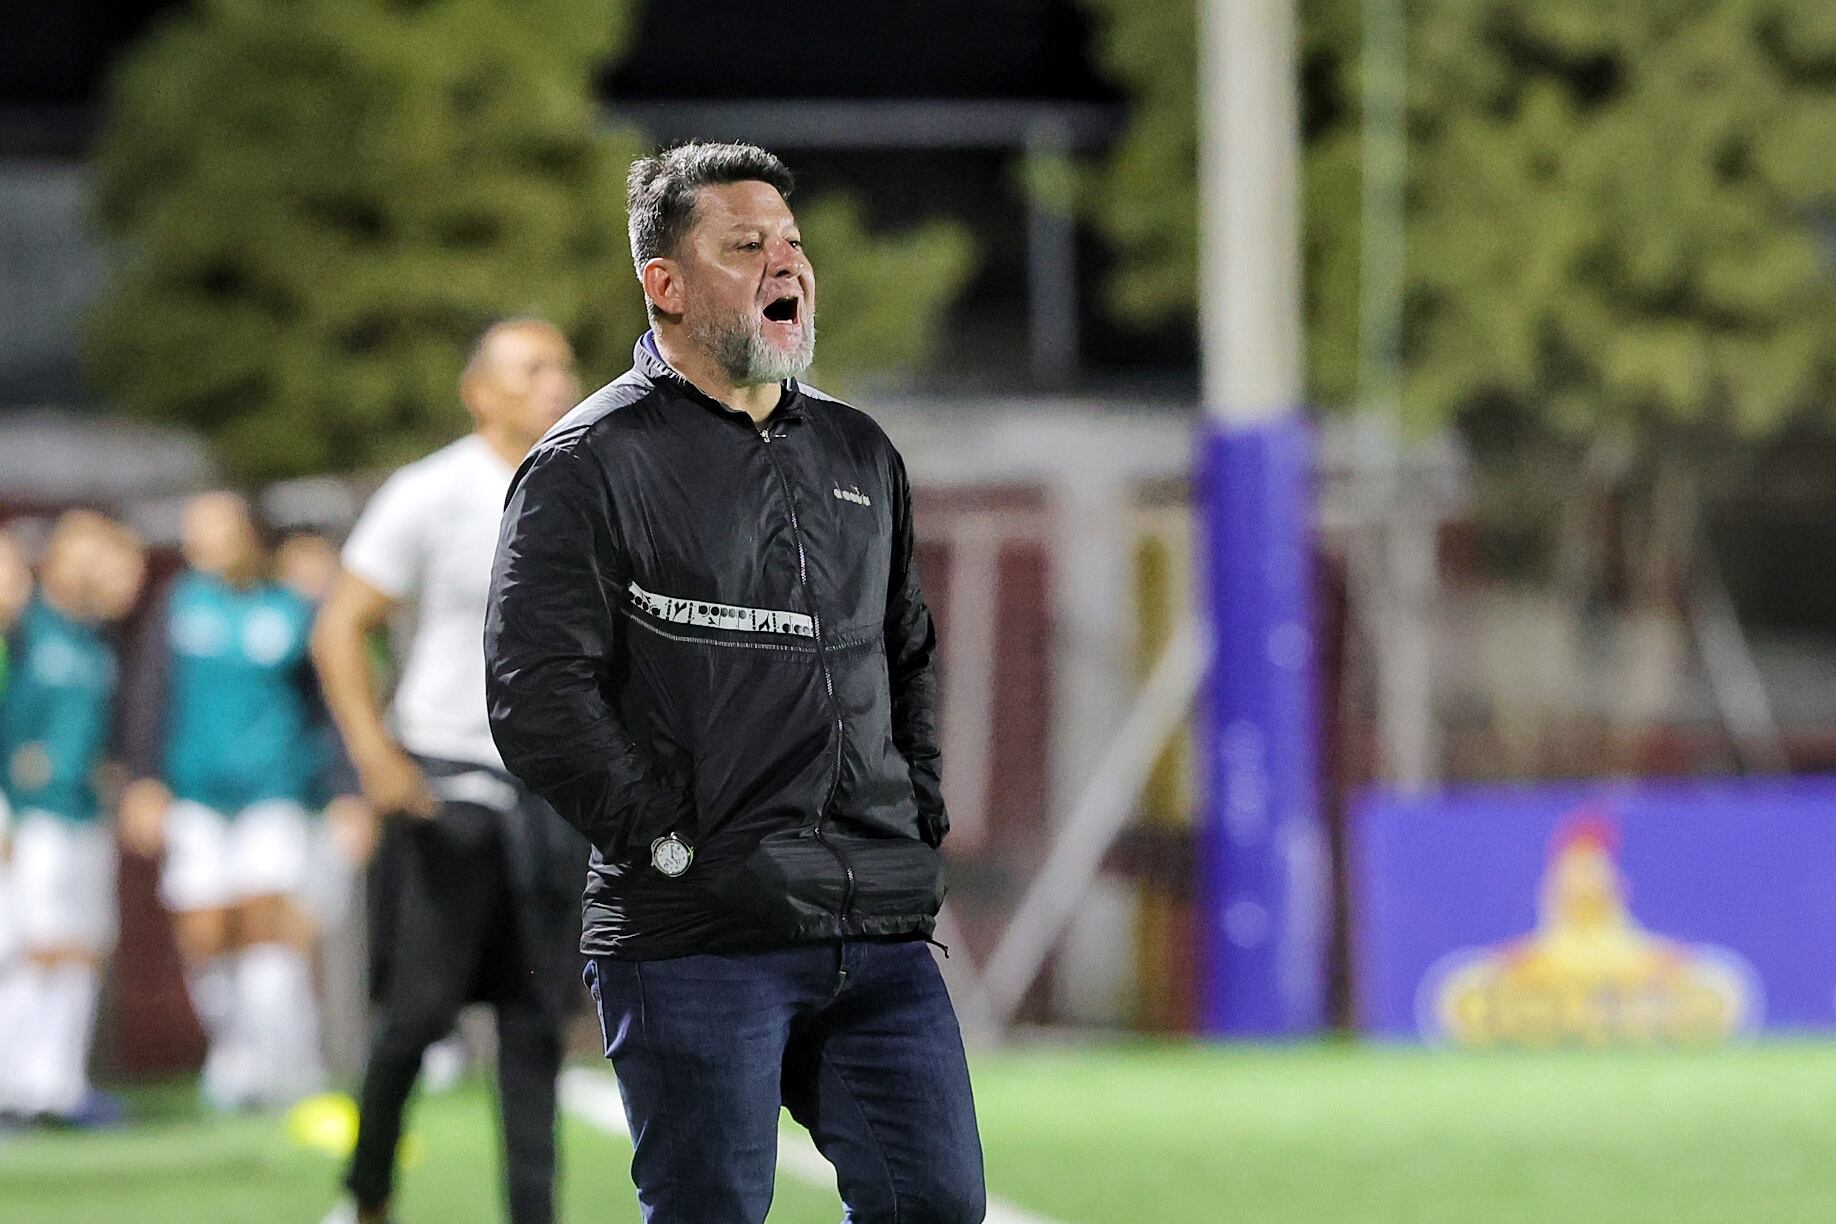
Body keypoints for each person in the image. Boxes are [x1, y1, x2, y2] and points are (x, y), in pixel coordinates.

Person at [485, 142, 985, 1224]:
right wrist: (672, 844)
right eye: (745, 246)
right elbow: (537, 694)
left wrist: (915, 821)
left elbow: (905, 654)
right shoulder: (587, 462)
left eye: (791, 243)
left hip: (875, 926)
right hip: (699, 935)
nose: (784, 263)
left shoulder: (859, 450)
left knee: (938, 1206)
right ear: (665, 284)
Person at [312, 318, 585, 1224]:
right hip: (447, 779)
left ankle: (535, 1213)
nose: (555, 383)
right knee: (419, 1013)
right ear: (479, 392)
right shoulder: (430, 491)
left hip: (549, 787)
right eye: (531, 368)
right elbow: (342, 625)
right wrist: (374, 753)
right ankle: (367, 1195)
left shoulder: (592, 485)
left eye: (561, 367)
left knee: (536, 1019)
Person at [119, 492, 338, 1111]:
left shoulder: (288, 609)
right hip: (196, 792)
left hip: (274, 787)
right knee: (205, 929)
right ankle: (236, 1052)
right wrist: (143, 778)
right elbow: (150, 695)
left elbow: (322, 708)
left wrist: (343, 792)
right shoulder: (178, 607)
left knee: (268, 921)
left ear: (247, 535)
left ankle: (288, 1061)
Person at [0, 512, 145, 1122]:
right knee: (33, 946)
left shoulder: (97, 640)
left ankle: (59, 1085)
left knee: (81, 947)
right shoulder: (23, 628)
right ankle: (15, 1087)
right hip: (32, 814)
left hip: (85, 812)